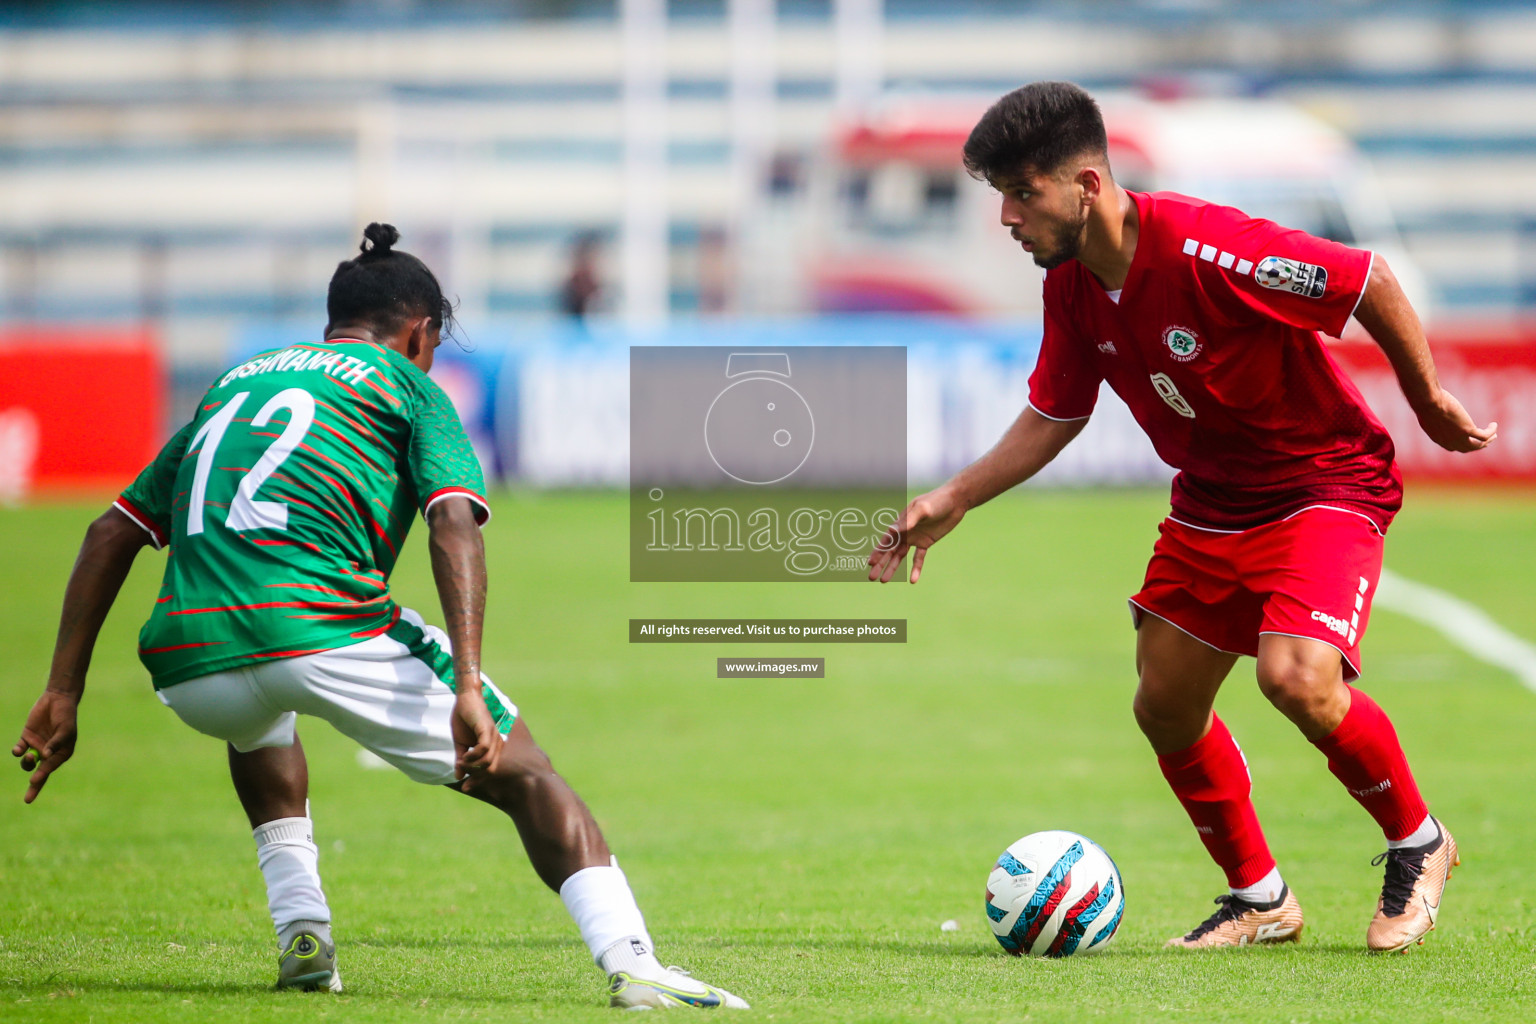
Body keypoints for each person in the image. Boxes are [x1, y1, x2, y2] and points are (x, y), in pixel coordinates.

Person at [12, 224, 747, 1009]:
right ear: (420, 332)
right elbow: (453, 523)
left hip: (191, 661)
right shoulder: (407, 385)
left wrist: (63, 691)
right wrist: (467, 681)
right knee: (527, 774)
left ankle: (303, 933)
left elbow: (110, 530)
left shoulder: (237, 380)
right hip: (322, 628)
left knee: (258, 721)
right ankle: (632, 962)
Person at [868, 83, 1495, 952]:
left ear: (1085, 186)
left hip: (1323, 483)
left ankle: (1419, 842)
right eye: (1000, 195)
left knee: (1296, 677)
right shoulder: (1074, 286)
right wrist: (953, 498)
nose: (1007, 217)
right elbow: (1058, 411)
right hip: (1212, 502)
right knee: (1163, 701)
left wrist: (1425, 398)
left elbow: (1366, 280)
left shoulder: (1210, 248)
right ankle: (1259, 898)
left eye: (1022, 193)